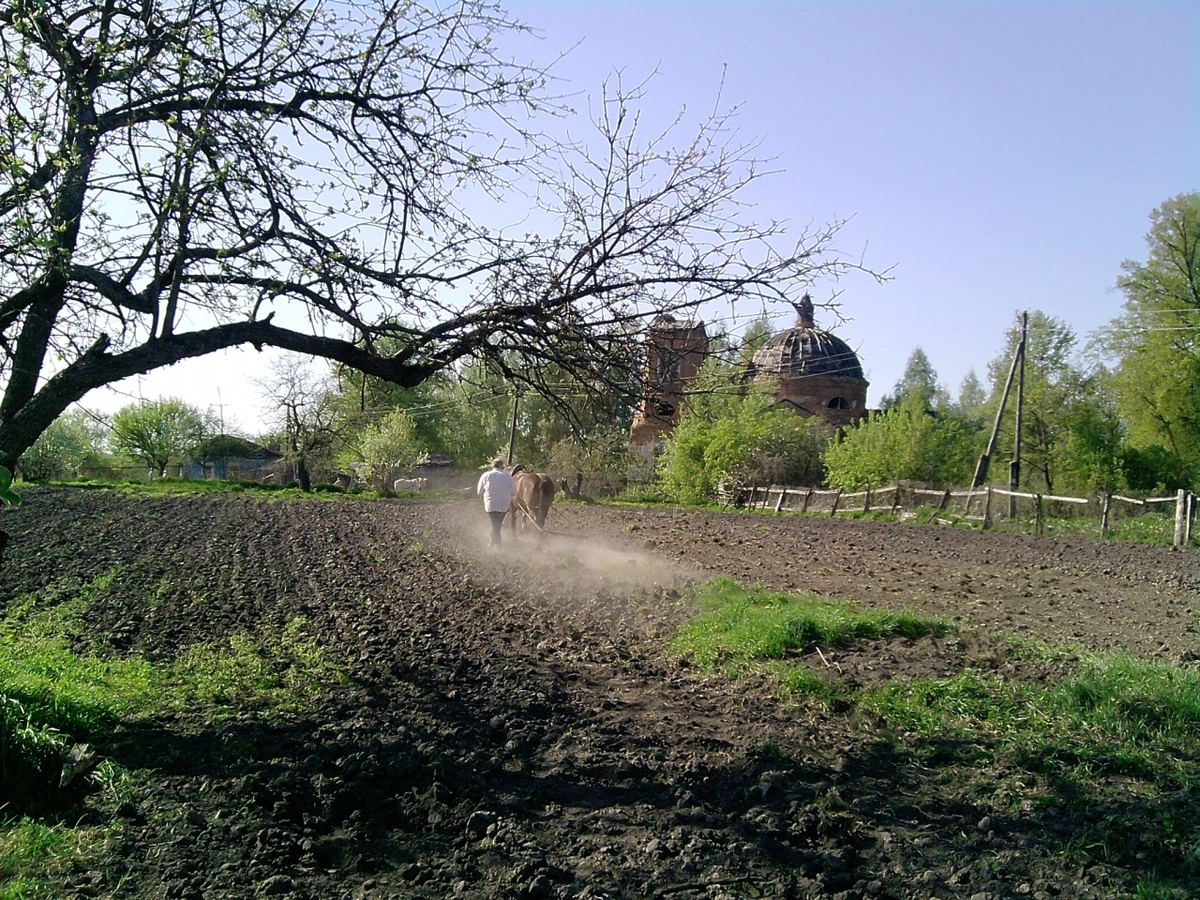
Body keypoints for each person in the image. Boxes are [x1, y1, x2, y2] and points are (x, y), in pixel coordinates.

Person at [476, 459, 517, 548]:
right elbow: (514, 491)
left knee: (495, 525)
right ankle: (492, 543)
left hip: (490, 504)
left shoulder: (486, 475)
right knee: (496, 524)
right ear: (502, 466)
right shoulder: (508, 476)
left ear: (492, 466)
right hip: (504, 505)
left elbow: (479, 491)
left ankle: (498, 545)